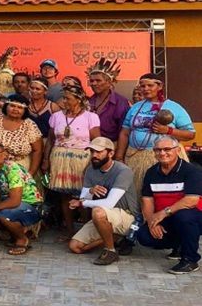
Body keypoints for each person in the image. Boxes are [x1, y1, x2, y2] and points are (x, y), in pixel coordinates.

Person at [115, 73, 195, 197]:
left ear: (160, 86)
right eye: (142, 86)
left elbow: (190, 134)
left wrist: (167, 130)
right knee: (136, 192)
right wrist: (119, 157)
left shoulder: (174, 107)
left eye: (150, 85)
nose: (145, 89)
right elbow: (125, 133)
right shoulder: (135, 107)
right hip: (134, 156)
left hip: (162, 156)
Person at [42, 84, 100, 241]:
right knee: (64, 197)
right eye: (63, 98)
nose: (64, 101)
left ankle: (87, 232)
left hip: (82, 159)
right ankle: (69, 231)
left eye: (67, 98)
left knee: (84, 195)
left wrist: (93, 163)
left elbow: (96, 141)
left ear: (79, 99)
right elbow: (50, 140)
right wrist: (46, 159)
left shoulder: (90, 117)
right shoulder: (56, 116)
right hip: (59, 158)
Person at [68, 137, 139, 265]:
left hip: (127, 216)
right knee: (75, 246)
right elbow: (84, 196)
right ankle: (114, 237)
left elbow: (108, 204)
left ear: (111, 153)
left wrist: (81, 203)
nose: (94, 155)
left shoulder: (123, 171)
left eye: (99, 152)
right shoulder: (90, 170)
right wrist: (90, 192)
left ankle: (110, 250)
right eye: (92, 152)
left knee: (98, 212)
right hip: (104, 216)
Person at [137, 136, 202, 274]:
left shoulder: (191, 171)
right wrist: (152, 222)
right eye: (158, 150)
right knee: (143, 236)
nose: (162, 153)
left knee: (183, 216)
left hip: (193, 216)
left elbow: (191, 200)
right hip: (168, 218)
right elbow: (147, 200)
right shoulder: (151, 172)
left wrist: (163, 213)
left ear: (177, 150)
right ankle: (178, 244)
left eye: (167, 149)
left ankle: (190, 259)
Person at [0, 141, 43, 254]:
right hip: (11, 205)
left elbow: (15, 201)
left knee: (5, 216)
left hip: (31, 205)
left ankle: (22, 238)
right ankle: (19, 231)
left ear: (4, 154)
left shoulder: (13, 169)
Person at [87, 61, 129, 143]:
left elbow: (124, 131)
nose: (94, 84)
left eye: (98, 80)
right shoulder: (87, 101)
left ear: (109, 82)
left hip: (112, 146)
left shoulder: (120, 102)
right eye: (91, 81)